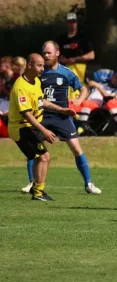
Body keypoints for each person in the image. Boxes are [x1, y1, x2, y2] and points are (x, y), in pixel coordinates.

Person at [21, 41, 101, 195]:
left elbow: (83, 89)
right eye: (44, 53)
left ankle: (89, 184)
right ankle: (32, 183)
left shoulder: (66, 73)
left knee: (76, 149)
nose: (45, 56)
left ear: (57, 53)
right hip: (42, 115)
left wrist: (78, 100)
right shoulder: (38, 73)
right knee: (33, 149)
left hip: (62, 117)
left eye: (48, 53)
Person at [7, 54, 76, 201]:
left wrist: (61, 109)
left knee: (40, 157)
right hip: (21, 127)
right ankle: (38, 192)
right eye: (39, 65)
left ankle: (36, 188)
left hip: (30, 127)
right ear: (29, 65)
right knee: (44, 157)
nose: (42, 69)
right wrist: (44, 130)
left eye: (43, 65)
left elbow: (41, 101)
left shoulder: (36, 81)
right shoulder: (21, 87)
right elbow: (27, 115)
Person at [58, 13, 95, 85]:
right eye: (69, 22)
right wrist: (63, 59)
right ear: (66, 23)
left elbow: (91, 55)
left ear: (77, 23)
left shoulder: (82, 37)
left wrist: (76, 59)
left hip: (81, 69)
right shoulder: (62, 38)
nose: (72, 24)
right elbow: (57, 55)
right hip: (66, 69)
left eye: (73, 21)